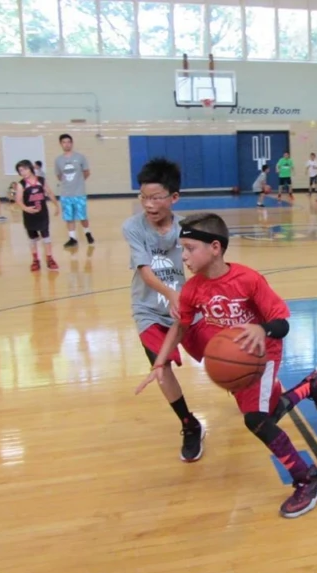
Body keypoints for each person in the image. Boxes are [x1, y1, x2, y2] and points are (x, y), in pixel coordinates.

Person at [135, 211, 317, 518]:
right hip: (235, 356)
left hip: (262, 353)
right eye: (181, 249)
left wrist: (261, 329)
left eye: (189, 249)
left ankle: (309, 480)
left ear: (215, 247)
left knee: (256, 420)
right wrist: (159, 363)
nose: (183, 256)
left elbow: (282, 323)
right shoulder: (193, 289)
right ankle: (312, 384)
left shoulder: (248, 279)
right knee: (270, 413)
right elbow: (182, 327)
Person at [122, 158, 206, 462]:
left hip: (187, 310)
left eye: (156, 197)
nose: (148, 204)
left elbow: (203, 266)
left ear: (174, 197)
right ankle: (189, 424)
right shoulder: (132, 227)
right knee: (161, 368)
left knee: (224, 352)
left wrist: (191, 299)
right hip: (148, 309)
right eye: (143, 197)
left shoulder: (188, 228)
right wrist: (171, 294)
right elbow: (144, 270)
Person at [13, 160, 60, 272]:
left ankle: (50, 258)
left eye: (25, 169)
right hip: (29, 216)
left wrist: (56, 205)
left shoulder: (41, 181)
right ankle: (35, 260)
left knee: (46, 236)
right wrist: (26, 208)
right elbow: (18, 200)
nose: (23, 172)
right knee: (32, 238)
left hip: (42, 213)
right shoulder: (21, 185)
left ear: (30, 168)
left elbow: (49, 192)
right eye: (20, 170)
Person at [55, 133, 94, 247]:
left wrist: (79, 182)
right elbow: (59, 175)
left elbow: (86, 172)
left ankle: (88, 233)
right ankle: (72, 238)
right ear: (61, 144)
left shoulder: (80, 157)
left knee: (82, 216)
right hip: (66, 194)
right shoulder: (58, 160)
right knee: (69, 217)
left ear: (71, 143)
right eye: (64, 142)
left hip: (79, 193)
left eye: (68, 142)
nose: (66, 144)